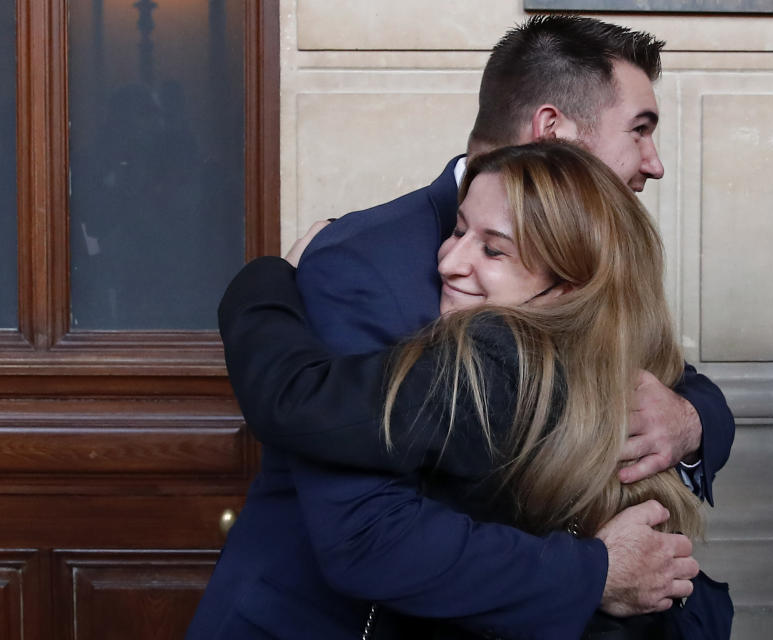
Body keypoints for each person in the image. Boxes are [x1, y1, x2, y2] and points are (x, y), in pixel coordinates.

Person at [191, 15, 735, 640]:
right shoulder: (362, 262)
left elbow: (665, 375)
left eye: (491, 248)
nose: (655, 163)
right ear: (551, 130)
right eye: (639, 131)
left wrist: (691, 422)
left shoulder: (587, 252)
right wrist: (595, 572)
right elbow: (355, 504)